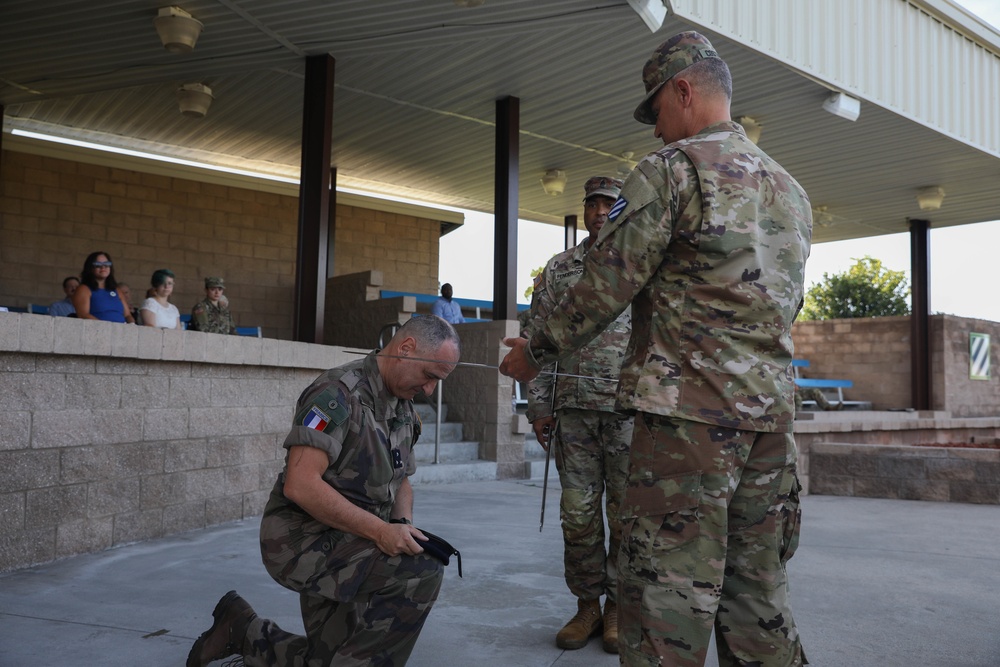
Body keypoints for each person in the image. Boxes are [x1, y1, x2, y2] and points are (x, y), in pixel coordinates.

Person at [500, 32, 811, 666]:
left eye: (658, 112)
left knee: (664, 605)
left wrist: (533, 352)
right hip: (771, 427)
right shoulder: (790, 190)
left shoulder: (674, 172)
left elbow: (603, 283)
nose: (658, 131)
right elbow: (787, 307)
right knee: (758, 598)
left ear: (684, 90)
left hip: (686, 427)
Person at [187, 315, 462, 667]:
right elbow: (301, 483)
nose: (429, 391)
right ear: (406, 348)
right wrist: (381, 532)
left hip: (354, 540)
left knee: (328, 659)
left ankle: (242, 630)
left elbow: (402, 479)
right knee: (420, 571)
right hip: (305, 540)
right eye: (429, 376)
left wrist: (402, 525)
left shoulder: (404, 410)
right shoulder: (336, 395)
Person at [523, 176, 633, 654]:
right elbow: (536, 339)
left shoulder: (640, 263)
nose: (599, 211)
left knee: (627, 515)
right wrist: (539, 406)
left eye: (609, 204)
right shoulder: (561, 268)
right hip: (573, 414)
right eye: (592, 204)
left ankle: (618, 609)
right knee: (578, 514)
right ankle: (588, 604)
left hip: (630, 411)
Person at [73, 251, 134, 323]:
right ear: (90, 267)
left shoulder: (116, 290)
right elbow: (83, 314)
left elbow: (127, 315)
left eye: (107, 264)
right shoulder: (84, 289)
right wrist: (105, 328)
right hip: (98, 331)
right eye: (98, 264)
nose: (103, 267)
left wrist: (132, 325)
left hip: (121, 331)